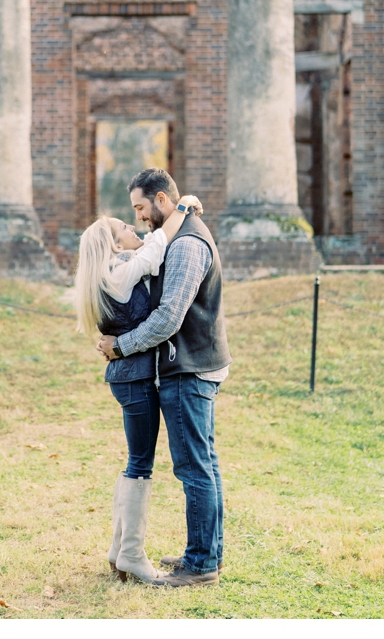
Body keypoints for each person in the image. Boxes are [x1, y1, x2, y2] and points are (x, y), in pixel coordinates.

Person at [96, 167, 229, 588]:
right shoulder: (179, 231)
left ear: (161, 201)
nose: (138, 217)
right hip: (184, 364)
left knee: (194, 467)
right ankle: (204, 552)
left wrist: (120, 346)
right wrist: (186, 203)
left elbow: (169, 317)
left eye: (140, 207)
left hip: (190, 366)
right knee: (200, 463)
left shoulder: (188, 245)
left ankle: (202, 565)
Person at [76, 191, 203, 584]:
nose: (133, 228)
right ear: (114, 244)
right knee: (140, 465)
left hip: (129, 378)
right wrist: (182, 209)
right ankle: (131, 554)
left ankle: (120, 551)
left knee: (135, 464)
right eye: (124, 227)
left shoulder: (113, 268)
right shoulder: (121, 270)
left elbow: (150, 245)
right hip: (134, 379)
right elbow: (158, 245)